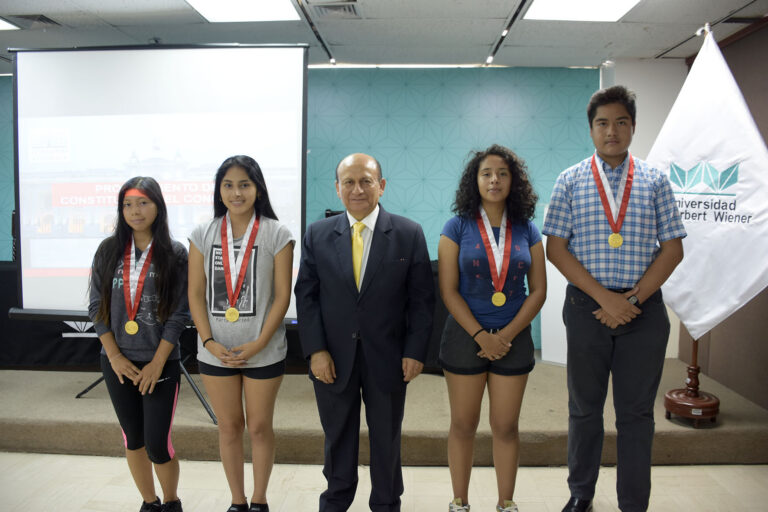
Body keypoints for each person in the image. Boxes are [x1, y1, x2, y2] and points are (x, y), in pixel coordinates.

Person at [542, 86, 686, 512]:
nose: (612, 131)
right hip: (588, 310)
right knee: (584, 409)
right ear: (591, 129)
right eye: (603, 123)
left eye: (621, 122)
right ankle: (580, 494)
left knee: (636, 414)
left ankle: (633, 502)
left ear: (633, 127)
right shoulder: (569, 180)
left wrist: (633, 299)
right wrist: (605, 299)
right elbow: (556, 248)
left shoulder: (655, 180)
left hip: (643, 312)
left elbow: (673, 249)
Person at [294, 153, 435, 512]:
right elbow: (306, 297)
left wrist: (416, 351)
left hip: (388, 357)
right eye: (349, 182)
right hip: (332, 358)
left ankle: (387, 503)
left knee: (386, 439)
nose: (357, 189)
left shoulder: (408, 233)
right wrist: (315, 351)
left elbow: (421, 301)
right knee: (337, 437)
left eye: (366, 181)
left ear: (381, 186)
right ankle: (336, 501)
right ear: (337, 189)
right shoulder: (318, 234)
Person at [438, 145, 546, 512]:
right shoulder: (457, 226)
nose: (494, 180)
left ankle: (506, 503)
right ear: (475, 180)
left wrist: (506, 336)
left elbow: (539, 291)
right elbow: (448, 290)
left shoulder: (528, 229)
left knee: (505, 427)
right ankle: (459, 502)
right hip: (466, 337)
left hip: (513, 339)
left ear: (513, 181)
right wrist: (482, 336)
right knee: (463, 425)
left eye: (502, 173)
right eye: (486, 173)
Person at [188, 155, 294, 512]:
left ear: (258, 189)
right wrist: (208, 342)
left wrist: (261, 341)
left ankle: (260, 500)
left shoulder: (277, 233)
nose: (236, 192)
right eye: (228, 185)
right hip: (215, 351)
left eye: (244, 185)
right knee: (229, 427)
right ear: (219, 190)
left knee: (260, 427)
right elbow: (195, 295)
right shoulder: (202, 234)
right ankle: (237, 501)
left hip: (263, 350)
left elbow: (282, 295)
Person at [88, 176, 188, 512]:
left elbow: (178, 314)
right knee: (133, 438)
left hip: (160, 362)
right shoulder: (109, 250)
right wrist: (113, 355)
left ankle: (172, 502)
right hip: (117, 362)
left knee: (158, 444)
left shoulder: (175, 254)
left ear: (158, 206)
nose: (135, 211)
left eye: (143, 202)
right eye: (128, 204)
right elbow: (95, 306)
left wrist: (158, 362)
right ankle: (149, 502)